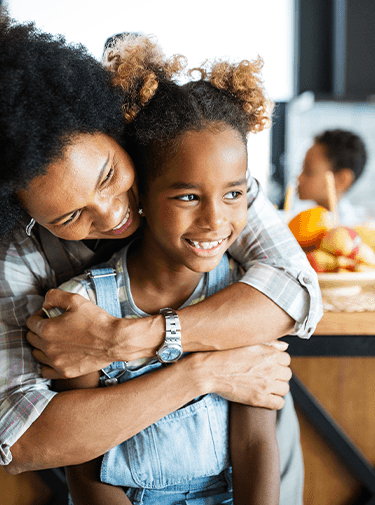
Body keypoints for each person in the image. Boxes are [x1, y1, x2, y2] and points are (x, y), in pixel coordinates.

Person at [0, 9, 321, 501]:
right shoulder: (17, 250)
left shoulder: (192, 172)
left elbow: (296, 292)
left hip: (248, 461)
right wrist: (202, 373)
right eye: (70, 216)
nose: (112, 213)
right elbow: (18, 438)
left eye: (108, 176)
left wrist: (124, 340)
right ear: (22, 215)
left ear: (114, 130)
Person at [48, 46, 281, 504]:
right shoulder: (84, 309)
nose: (215, 220)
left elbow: (255, 443)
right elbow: (84, 468)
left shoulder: (244, 299)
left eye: (233, 194)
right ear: (140, 196)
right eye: (188, 197)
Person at [295, 129, 367, 224]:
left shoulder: (346, 228)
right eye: (302, 168)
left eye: (309, 171)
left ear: (342, 180)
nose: (299, 178)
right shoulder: (300, 219)